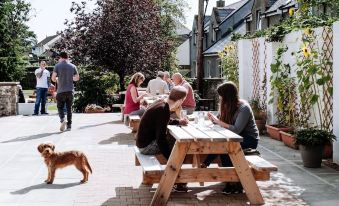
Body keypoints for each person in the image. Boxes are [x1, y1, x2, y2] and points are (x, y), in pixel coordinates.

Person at [201, 81, 260, 194]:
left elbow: (236, 129)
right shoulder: (227, 105)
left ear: (227, 96)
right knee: (222, 145)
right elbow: (221, 122)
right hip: (233, 137)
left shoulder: (244, 108)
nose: (219, 98)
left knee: (225, 148)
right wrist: (213, 120)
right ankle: (228, 179)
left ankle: (231, 182)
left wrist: (218, 121)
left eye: (221, 96)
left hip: (248, 139)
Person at [136, 85, 189, 191]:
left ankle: (178, 179)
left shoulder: (160, 103)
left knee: (177, 144)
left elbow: (161, 122)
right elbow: (160, 139)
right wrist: (171, 158)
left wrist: (178, 122)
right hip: (146, 147)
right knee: (179, 145)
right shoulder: (163, 109)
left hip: (142, 143)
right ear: (181, 100)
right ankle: (177, 180)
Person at [51, 52, 79, 132]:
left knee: (60, 107)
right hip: (70, 91)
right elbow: (77, 78)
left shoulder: (57, 66)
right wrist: (71, 78)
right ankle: (69, 126)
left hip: (61, 91)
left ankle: (63, 119)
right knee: (69, 108)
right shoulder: (73, 66)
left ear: (61, 57)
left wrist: (56, 79)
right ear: (67, 57)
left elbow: (53, 78)